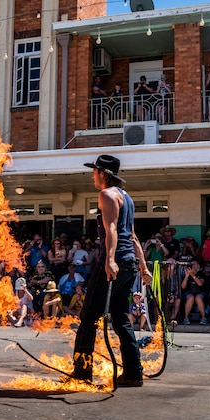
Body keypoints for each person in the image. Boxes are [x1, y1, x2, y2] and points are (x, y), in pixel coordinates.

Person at [69, 155, 150, 387]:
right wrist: (142, 267)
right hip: (129, 264)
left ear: (103, 173)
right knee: (121, 318)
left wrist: (110, 260)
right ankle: (134, 373)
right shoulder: (127, 198)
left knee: (88, 317)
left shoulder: (107, 194)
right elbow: (133, 236)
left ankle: (82, 373)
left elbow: (112, 228)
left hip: (113, 263)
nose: (92, 175)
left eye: (94, 171)